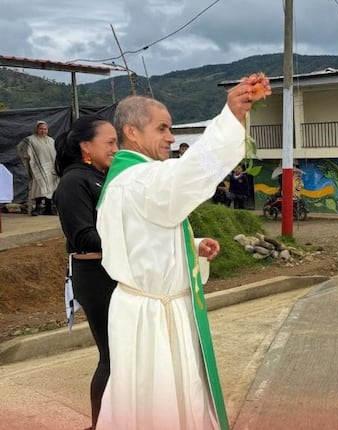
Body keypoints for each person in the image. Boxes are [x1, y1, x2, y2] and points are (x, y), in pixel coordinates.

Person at [96, 76, 262, 429]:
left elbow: (140, 238)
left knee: (140, 399)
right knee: (164, 401)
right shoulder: (140, 180)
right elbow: (187, 177)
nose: (171, 137)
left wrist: (191, 245)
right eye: (163, 128)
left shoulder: (125, 180)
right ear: (132, 132)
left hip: (139, 307)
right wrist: (229, 117)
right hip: (155, 318)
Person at [52, 115, 119, 430]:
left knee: (125, 355)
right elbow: (83, 236)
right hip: (95, 276)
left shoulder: (99, 177)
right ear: (85, 146)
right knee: (113, 356)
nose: (116, 148)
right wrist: (134, 240)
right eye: (110, 142)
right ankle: (99, 425)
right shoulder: (73, 182)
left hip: (112, 271)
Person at [17, 120, 59, 215]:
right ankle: (37, 208)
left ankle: (48, 208)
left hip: (50, 168)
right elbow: (21, 149)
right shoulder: (30, 140)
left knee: (51, 188)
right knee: (39, 188)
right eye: (41, 129)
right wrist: (27, 157)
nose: (43, 131)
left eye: (45, 129)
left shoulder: (51, 140)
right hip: (37, 168)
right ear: (36, 129)